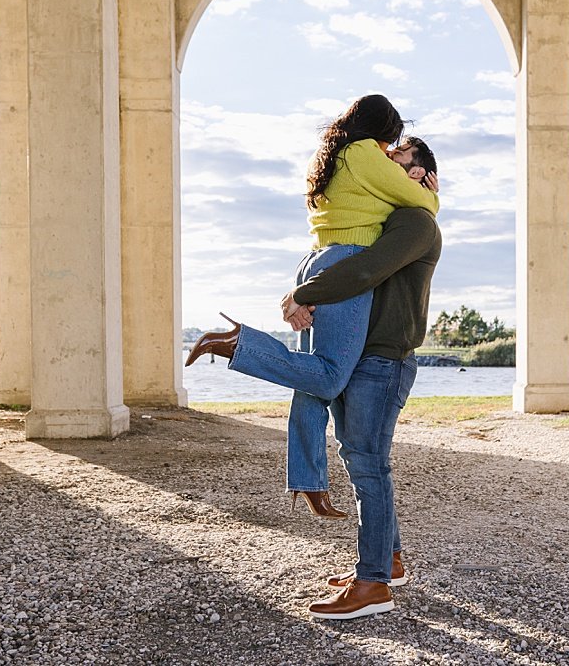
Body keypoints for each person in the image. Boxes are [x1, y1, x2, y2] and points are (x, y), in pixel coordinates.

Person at [185, 98, 440, 517]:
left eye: (398, 151)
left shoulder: (333, 155)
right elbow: (421, 205)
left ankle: (308, 480)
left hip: (318, 258)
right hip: (345, 261)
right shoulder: (364, 153)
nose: (389, 152)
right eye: (391, 143)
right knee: (329, 376)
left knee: (310, 380)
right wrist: (431, 194)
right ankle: (238, 344)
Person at [295, 139, 442, 623]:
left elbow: (365, 269)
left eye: (397, 156)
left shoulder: (415, 223)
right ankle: (389, 560)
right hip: (364, 355)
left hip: (384, 359)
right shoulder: (390, 217)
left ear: (418, 174)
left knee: (369, 467)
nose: (385, 160)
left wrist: (304, 292)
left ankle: (373, 583)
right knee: (362, 460)